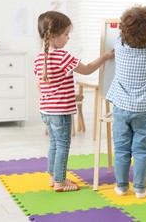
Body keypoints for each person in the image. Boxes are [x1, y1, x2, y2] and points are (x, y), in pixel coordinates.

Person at [34, 11, 114, 192]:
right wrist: (104, 57)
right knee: (63, 145)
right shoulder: (63, 56)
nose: (68, 38)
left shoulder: (39, 58)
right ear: (54, 36)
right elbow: (86, 70)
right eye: (66, 34)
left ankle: (53, 177)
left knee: (54, 144)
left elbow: (39, 85)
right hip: (60, 112)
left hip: (45, 110)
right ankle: (60, 183)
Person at [106, 5, 146, 199]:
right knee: (141, 150)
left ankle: (121, 187)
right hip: (143, 109)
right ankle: (140, 189)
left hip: (121, 107)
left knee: (121, 149)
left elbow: (122, 33)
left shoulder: (119, 45)